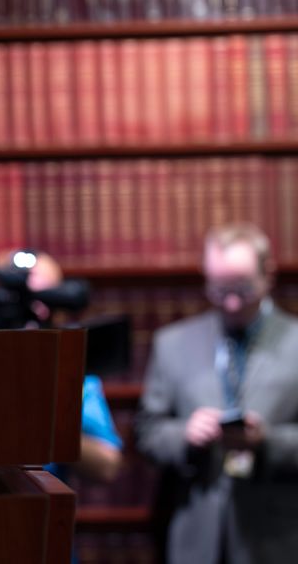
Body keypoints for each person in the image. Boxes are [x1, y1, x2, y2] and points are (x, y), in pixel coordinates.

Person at [135, 223, 298, 564]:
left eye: (243, 288)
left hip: (277, 537)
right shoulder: (173, 344)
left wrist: (266, 441)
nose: (234, 302)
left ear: (268, 275)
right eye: (221, 290)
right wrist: (185, 435)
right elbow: (146, 431)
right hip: (195, 533)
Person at [0, 249, 123, 486]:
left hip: (41, 512)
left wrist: (46, 426)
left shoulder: (71, 373)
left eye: (44, 299)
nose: (33, 311)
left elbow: (107, 465)